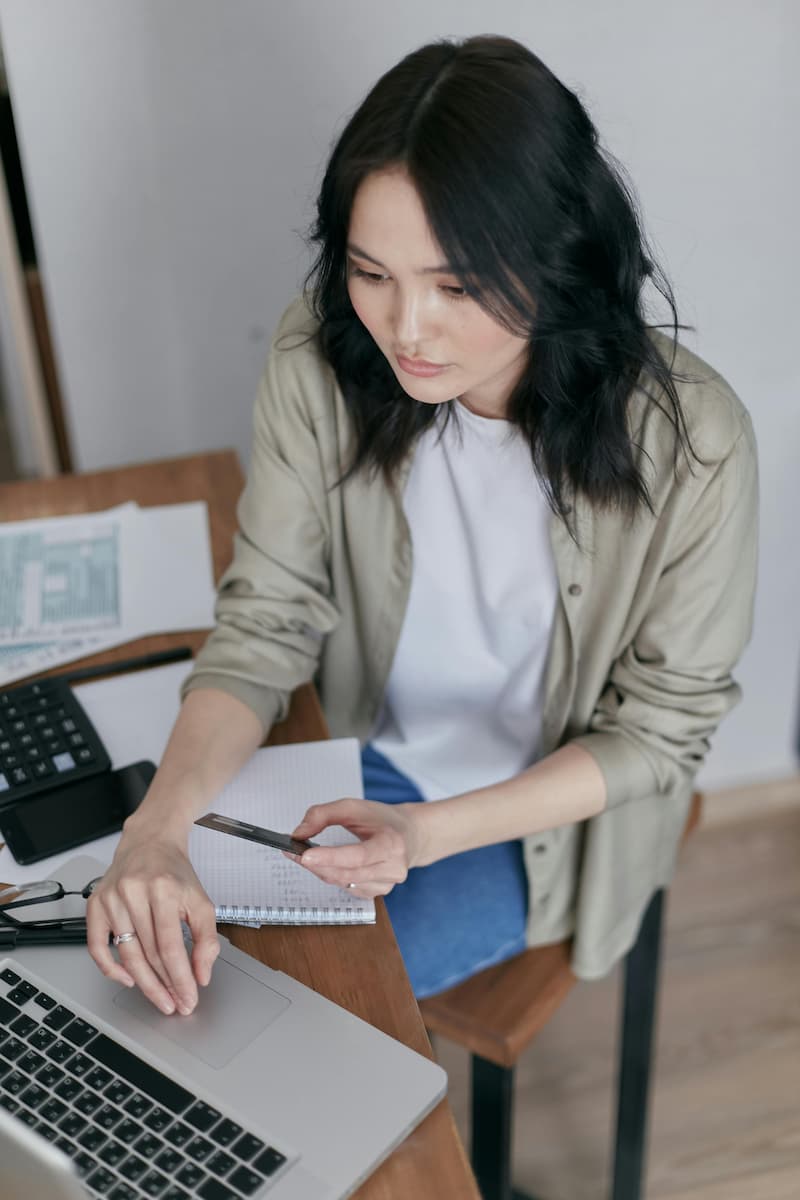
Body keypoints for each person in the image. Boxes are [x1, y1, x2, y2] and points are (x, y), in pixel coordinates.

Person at [87, 35, 758, 1016]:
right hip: (351, 747)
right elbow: (265, 621)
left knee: (288, 1017)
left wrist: (423, 833)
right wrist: (156, 828)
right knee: (142, 954)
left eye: (455, 286)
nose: (405, 329)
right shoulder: (320, 362)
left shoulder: (692, 444)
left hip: (532, 823)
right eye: (370, 273)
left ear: (557, 257)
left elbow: (658, 735)